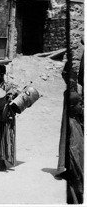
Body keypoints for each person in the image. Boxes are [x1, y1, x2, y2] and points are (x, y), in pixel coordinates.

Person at [57, 60, 84, 203]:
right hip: (67, 120)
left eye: (65, 75)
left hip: (74, 121)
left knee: (74, 146)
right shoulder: (70, 87)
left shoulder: (77, 88)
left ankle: (75, 173)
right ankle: (67, 168)